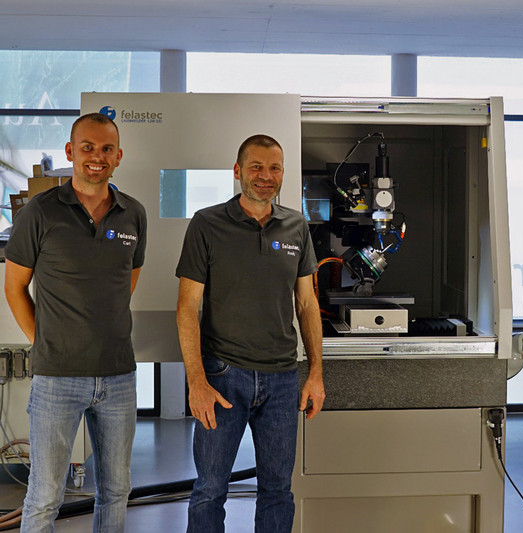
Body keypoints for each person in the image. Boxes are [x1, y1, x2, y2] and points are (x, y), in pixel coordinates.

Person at [4, 112, 147, 532]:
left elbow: (125, 284)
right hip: (57, 378)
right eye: (87, 147)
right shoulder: (39, 212)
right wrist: (44, 342)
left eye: (106, 149)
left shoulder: (133, 215)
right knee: (46, 495)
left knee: (117, 490)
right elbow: (14, 288)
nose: (96, 157)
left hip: (119, 375)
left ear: (118, 156)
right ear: (71, 152)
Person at [176, 134, 325, 533]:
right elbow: (188, 306)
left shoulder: (296, 226)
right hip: (224, 377)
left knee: (277, 490)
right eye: (256, 167)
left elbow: (307, 304)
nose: (266, 176)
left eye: (274, 168)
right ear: (238, 171)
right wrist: (197, 382)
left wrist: (315, 374)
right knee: (210, 489)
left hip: (281, 380)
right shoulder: (207, 223)